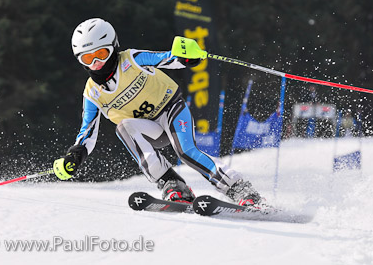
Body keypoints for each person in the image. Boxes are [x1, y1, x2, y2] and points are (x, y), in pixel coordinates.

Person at [53, 18, 264, 207]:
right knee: (124, 128)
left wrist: (186, 58)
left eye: (101, 54)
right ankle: (172, 184)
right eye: (87, 59)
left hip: (171, 109)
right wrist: (75, 155)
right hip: (149, 129)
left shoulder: (131, 59)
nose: (96, 63)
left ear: (114, 48)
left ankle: (239, 189)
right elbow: (88, 131)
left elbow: (165, 58)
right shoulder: (92, 93)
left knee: (186, 152)